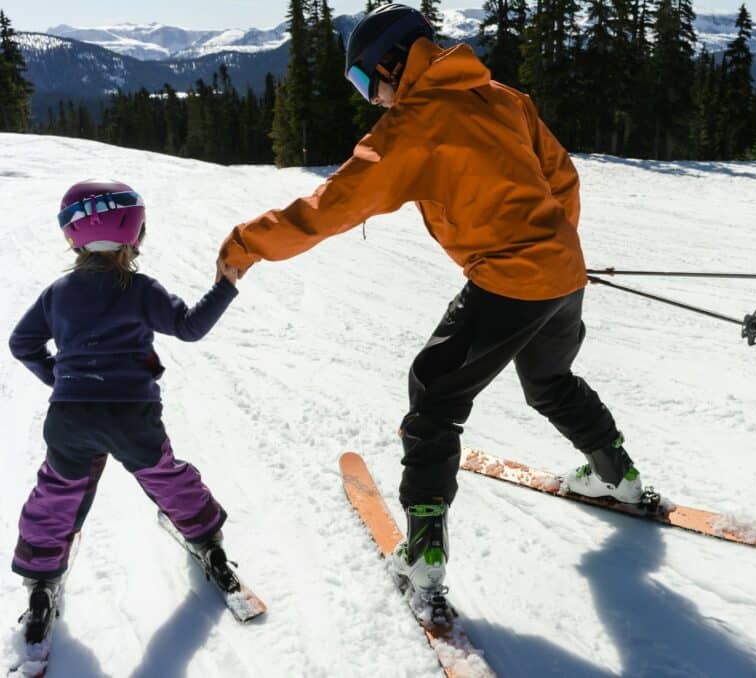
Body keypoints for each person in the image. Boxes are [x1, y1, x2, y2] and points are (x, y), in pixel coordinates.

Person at [218, 3, 642, 597]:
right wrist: (556, 247)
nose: (370, 99)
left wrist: (246, 244)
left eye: (366, 82)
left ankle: (423, 552)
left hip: (510, 279)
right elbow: (562, 176)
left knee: (434, 395)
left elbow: (331, 207)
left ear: (393, 64)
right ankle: (616, 475)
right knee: (550, 380)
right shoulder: (503, 97)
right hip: (563, 274)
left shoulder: (414, 124)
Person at [9, 179, 240, 633]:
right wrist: (225, 285)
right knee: (165, 475)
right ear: (135, 234)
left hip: (71, 417)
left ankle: (39, 582)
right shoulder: (140, 289)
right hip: (132, 416)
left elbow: (22, 342)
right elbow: (189, 327)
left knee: (56, 493)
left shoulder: (58, 293)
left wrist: (60, 377)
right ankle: (206, 538)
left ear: (71, 235)